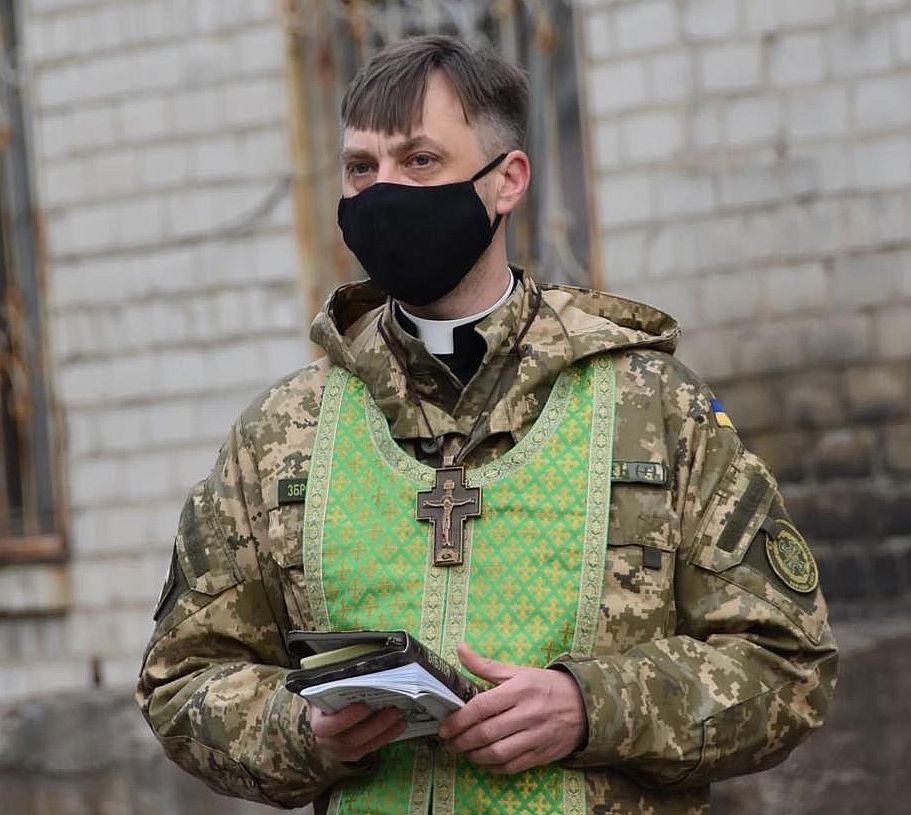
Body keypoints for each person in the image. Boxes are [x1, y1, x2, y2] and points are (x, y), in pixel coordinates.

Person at [137, 34, 837, 815]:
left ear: (507, 180)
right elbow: (181, 678)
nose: (382, 191)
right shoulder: (281, 433)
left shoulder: (654, 408)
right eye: (361, 167)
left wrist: (593, 706)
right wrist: (300, 726)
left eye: (420, 160)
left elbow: (786, 662)